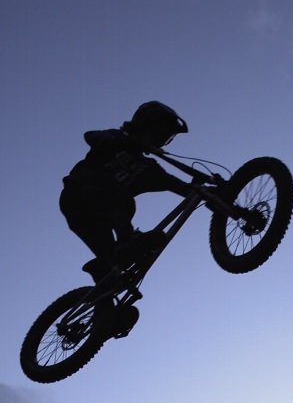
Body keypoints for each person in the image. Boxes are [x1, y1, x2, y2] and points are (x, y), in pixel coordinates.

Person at [59, 101, 194, 282]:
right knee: (120, 196)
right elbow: (91, 136)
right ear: (145, 125)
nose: (159, 140)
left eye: (165, 138)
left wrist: (206, 191)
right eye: (159, 133)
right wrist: (117, 140)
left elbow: (173, 184)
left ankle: (103, 300)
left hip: (97, 217)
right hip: (79, 195)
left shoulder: (148, 167)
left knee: (112, 265)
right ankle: (127, 239)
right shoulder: (116, 138)